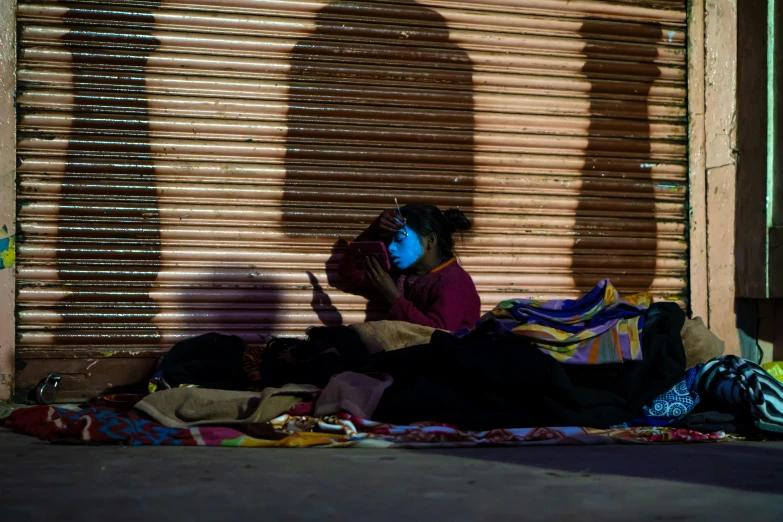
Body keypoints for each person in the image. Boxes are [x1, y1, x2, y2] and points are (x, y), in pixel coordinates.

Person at [338, 203, 481, 331]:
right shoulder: (403, 274)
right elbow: (350, 272)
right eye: (390, 240)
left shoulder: (453, 281)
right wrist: (373, 230)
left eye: (399, 239)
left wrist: (393, 297)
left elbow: (439, 335)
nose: (391, 247)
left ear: (430, 241)